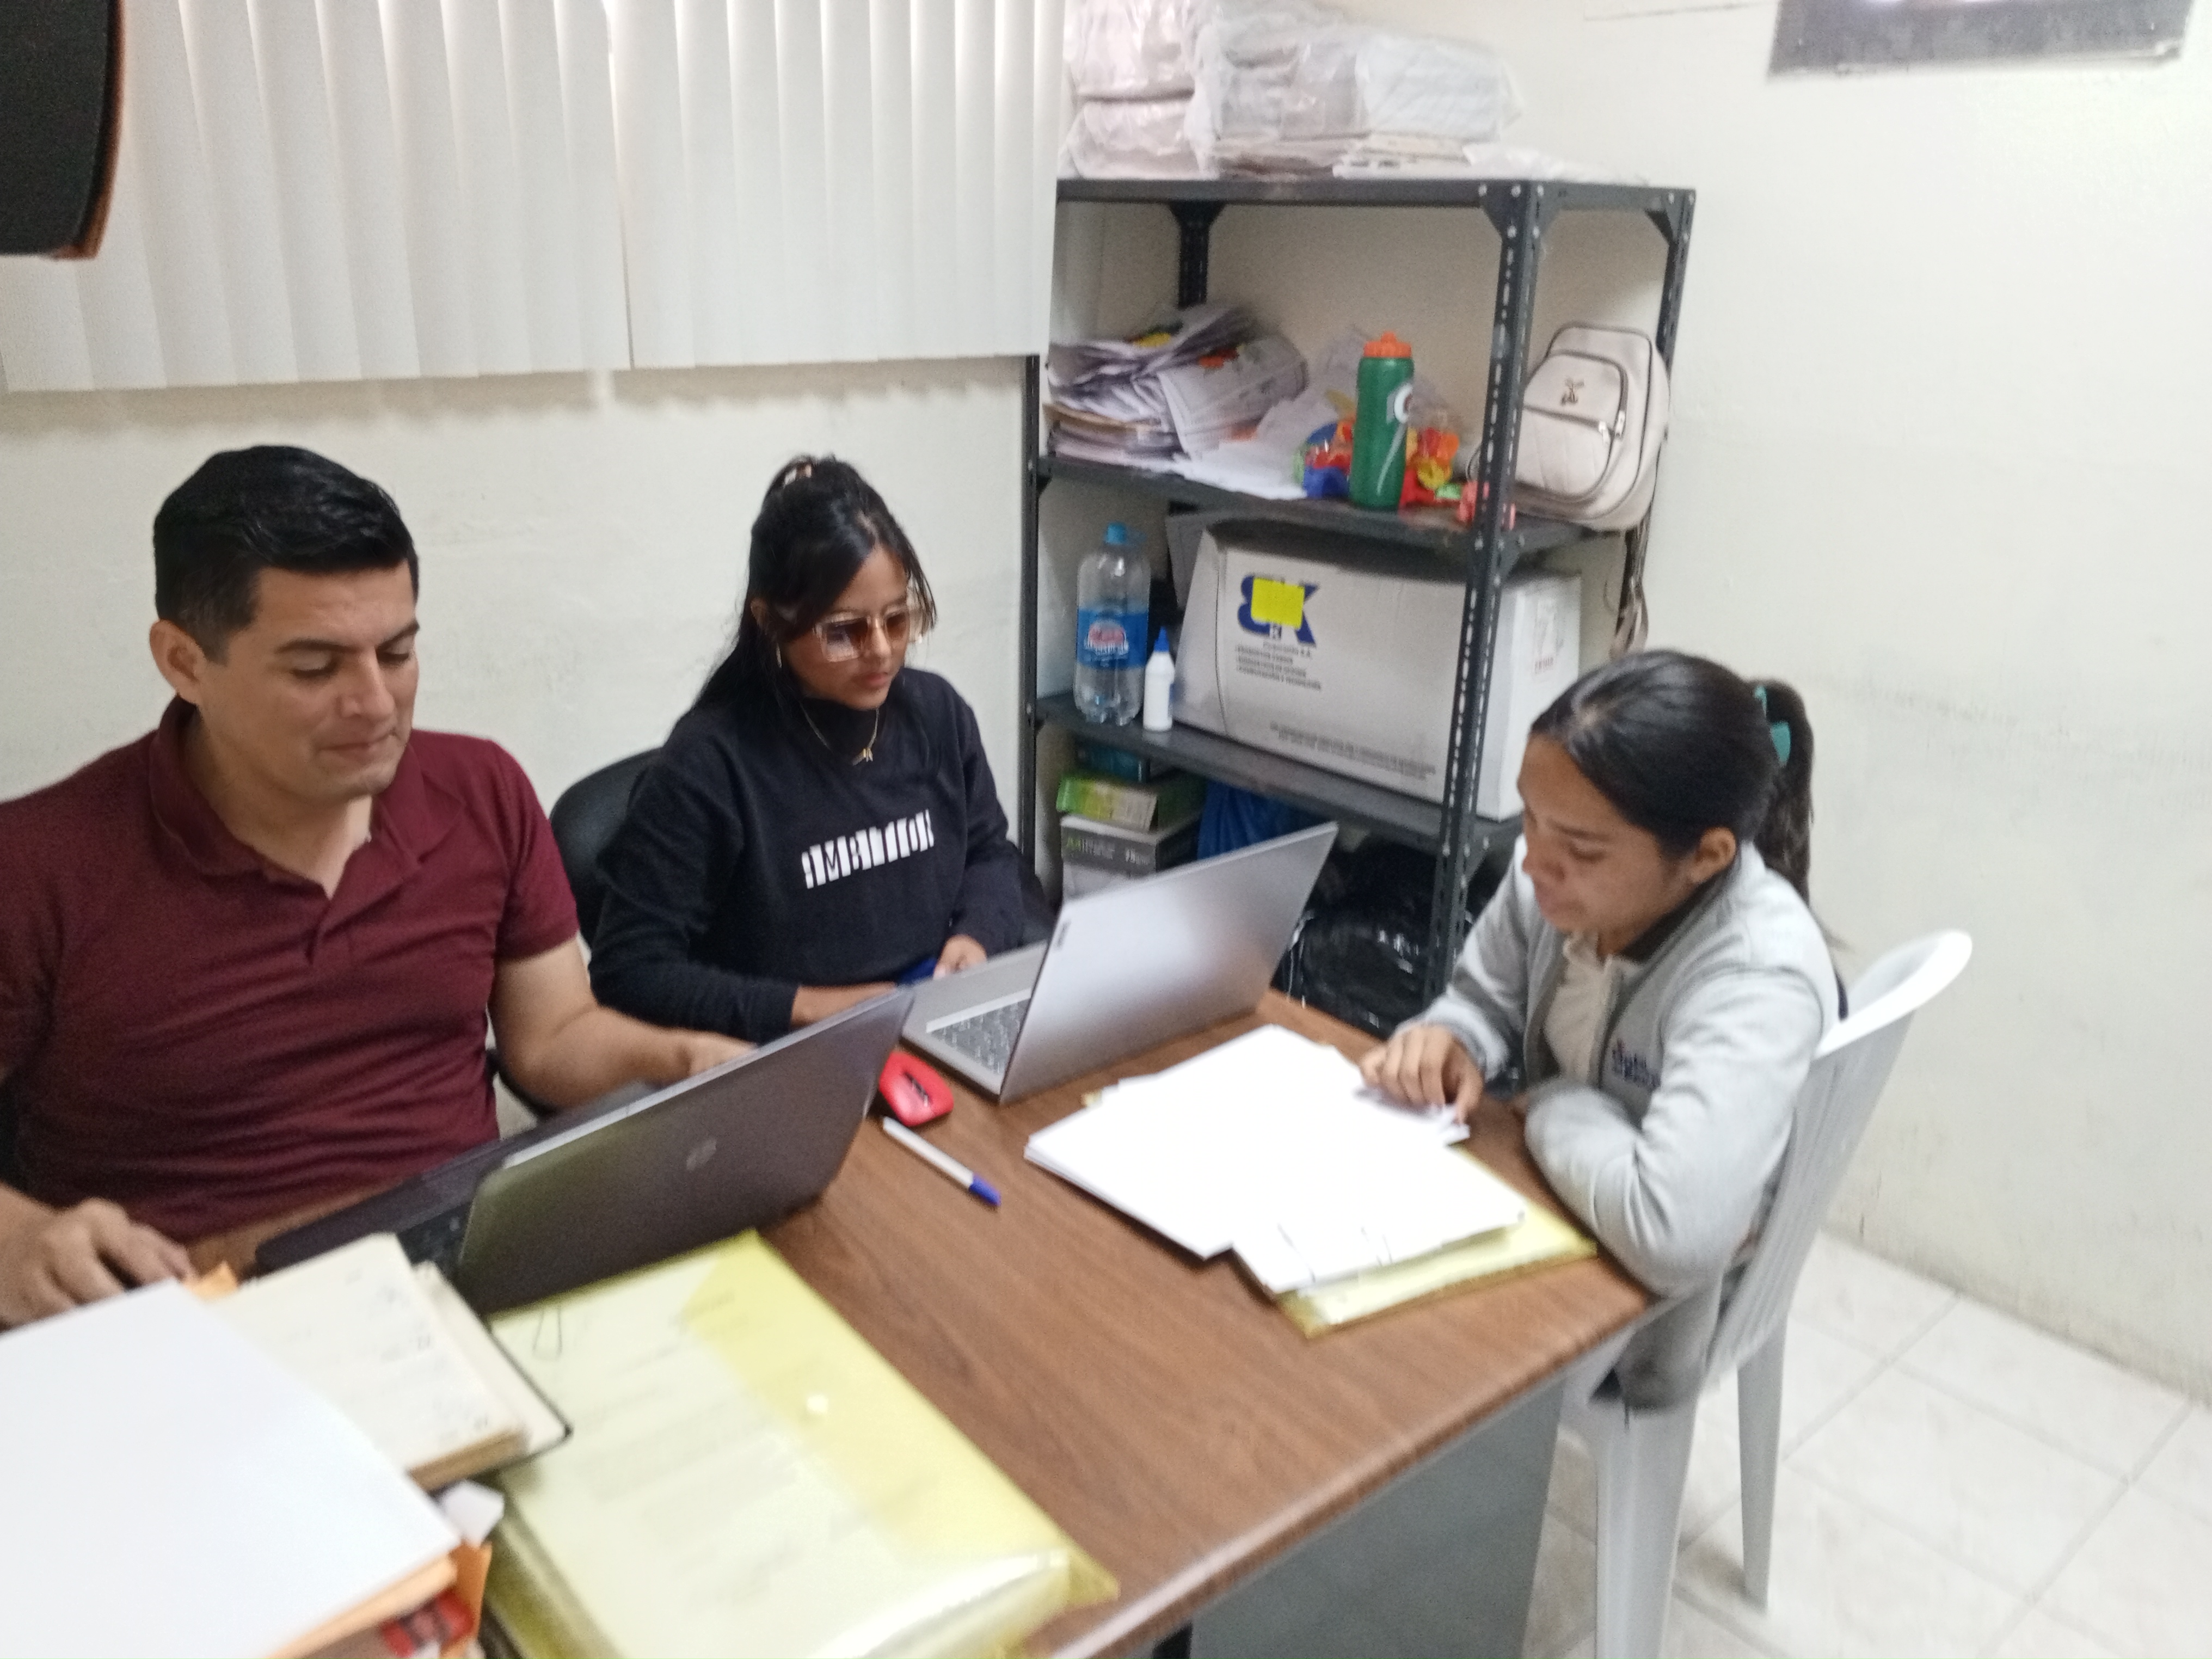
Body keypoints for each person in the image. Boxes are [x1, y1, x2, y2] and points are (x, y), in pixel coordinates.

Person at [0, 447, 746, 1328]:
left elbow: (552, 1037)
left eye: (396, 652)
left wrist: (679, 1059)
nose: (376, 703)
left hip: (471, 1265)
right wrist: (22, 1239)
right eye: (315, 668)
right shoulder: (39, 863)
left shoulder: (482, 791)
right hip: (197, 1307)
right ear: (185, 661)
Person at [1360, 650, 1839, 1406]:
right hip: (1563, 1210)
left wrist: (1551, 1104)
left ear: (1706, 856)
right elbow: (1482, 999)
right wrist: (1450, 1039)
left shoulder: (1754, 976)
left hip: (1649, 1317)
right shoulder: (1553, 885)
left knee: (1390, 1366)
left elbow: (1674, 1232)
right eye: (1531, 818)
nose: (1534, 863)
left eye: (1580, 849)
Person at [590, 457, 1027, 1043]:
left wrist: (976, 938)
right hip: (792, 1048)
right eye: (844, 631)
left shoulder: (938, 715)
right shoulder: (711, 766)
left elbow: (990, 855)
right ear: (771, 621)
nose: (881, 651)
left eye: (897, 620)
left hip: (933, 1015)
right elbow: (629, 972)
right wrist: (808, 1008)